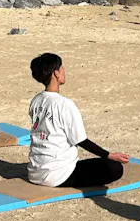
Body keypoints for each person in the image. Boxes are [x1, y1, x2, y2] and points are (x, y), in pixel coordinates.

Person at [27, 53, 129, 187]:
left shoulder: (36, 100)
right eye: (62, 68)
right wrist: (109, 155)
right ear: (56, 74)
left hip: (34, 173)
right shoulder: (64, 104)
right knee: (115, 168)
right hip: (58, 175)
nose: (64, 71)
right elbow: (80, 140)